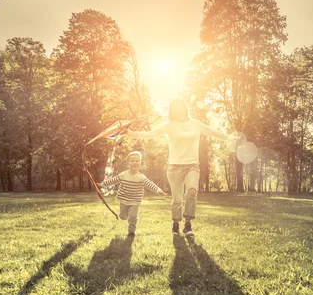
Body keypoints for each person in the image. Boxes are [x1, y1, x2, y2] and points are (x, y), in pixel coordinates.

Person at [125, 97, 236, 236]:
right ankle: (176, 223)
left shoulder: (196, 124)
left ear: (185, 107)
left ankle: (188, 224)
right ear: (171, 111)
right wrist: (130, 133)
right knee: (177, 199)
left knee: (192, 191)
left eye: (180, 107)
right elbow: (149, 134)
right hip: (174, 167)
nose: (177, 110)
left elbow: (213, 132)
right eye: (174, 108)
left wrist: (229, 137)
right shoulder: (169, 126)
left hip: (192, 165)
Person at [99, 151, 165, 236]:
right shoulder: (123, 175)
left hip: (135, 201)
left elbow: (150, 184)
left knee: (133, 216)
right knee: (123, 217)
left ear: (140, 163)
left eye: (137, 161)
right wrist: (102, 184)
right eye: (132, 161)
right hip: (123, 200)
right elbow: (113, 180)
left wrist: (158, 190)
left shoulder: (141, 177)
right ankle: (124, 216)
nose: (135, 162)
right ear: (128, 163)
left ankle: (131, 231)